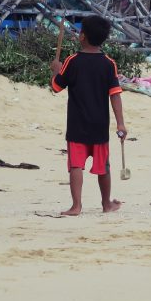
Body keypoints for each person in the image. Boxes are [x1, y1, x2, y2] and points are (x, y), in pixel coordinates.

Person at [50, 15, 127, 216]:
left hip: (77, 124)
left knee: (75, 165)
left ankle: (76, 206)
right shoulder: (108, 63)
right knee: (104, 167)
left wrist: (55, 71)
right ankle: (106, 204)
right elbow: (115, 95)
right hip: (100, 125)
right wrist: (120, 123)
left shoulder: (71, 61)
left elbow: (56, 87)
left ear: (82, 36)